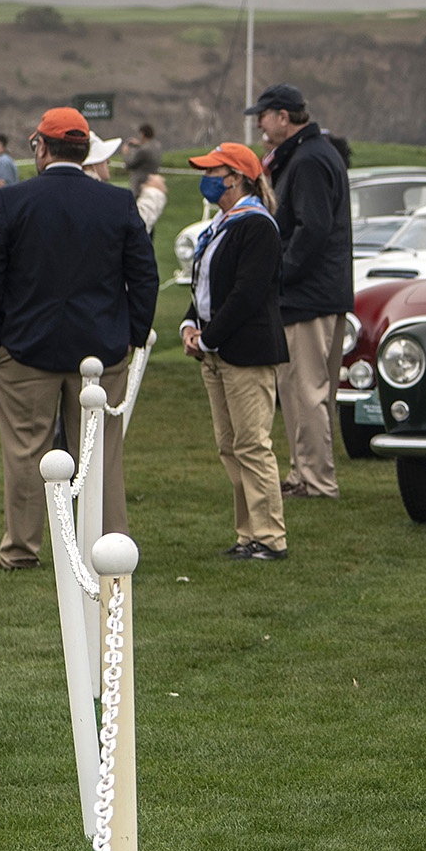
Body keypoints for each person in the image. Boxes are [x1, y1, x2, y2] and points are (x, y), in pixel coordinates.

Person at [0, 107, 158, 571]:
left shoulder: (12, 201)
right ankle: (109, 546)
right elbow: (145, 276)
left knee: (25, 453)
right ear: (84, 150)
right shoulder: (115, 202)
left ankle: (20, 550)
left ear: (41, 146)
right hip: (101, 346)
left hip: (25, 348)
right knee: (100, 454)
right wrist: (132, 334)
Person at [180, 143, 289, 560]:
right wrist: (191, 323)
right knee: (230, 446)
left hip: (245, 350)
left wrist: (208, 337)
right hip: (217, 350)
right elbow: (206, 289)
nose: (206, 179)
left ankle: (270, 537)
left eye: (214, 171)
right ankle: (248, 534)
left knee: (252, 445)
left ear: (238, 178)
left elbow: (246, 294)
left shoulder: (256, 225)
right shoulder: (223, 224)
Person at [250, 83, 353, 499]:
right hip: (321, 293)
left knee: (306, 392)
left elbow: (312, 230)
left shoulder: (308, 160)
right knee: (304, 392)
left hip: (309, 296)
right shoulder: (311, 154)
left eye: (263, 115)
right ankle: (304, 473)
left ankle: (315, 480)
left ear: (283, 117)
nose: (258, 123)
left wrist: (279, 275)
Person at [123, 123, 163, 192]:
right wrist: (139, 144)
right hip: (153, 181)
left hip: (140, 184)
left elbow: (129, 164)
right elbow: (148, 149)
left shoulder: (143, 150)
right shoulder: (157, 146)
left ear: (142, 134)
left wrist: (126, 153)